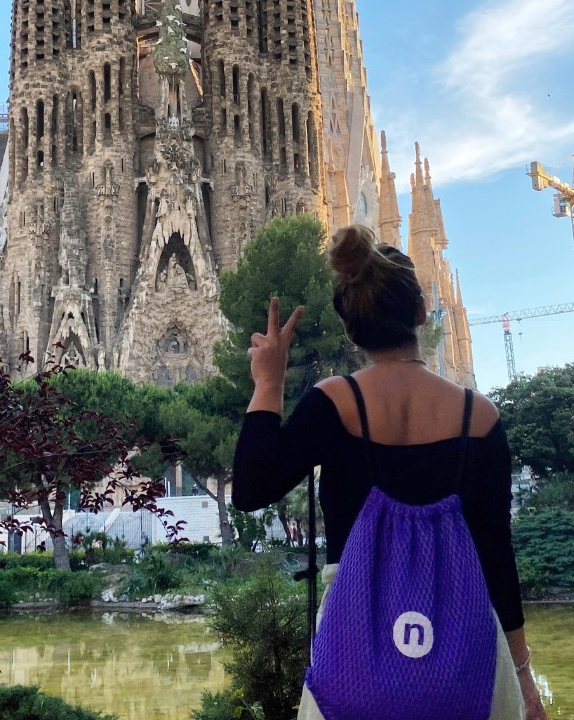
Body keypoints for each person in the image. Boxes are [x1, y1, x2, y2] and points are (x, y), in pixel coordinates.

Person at [233, 226, 544, 720]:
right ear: (421, 313)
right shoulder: (480, 416)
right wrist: (524, 676)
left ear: (349, 327)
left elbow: (250, 488)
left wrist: (269, 381)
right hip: (468, 655)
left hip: (354, 648)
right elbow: (497, 557)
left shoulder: (334, 403)